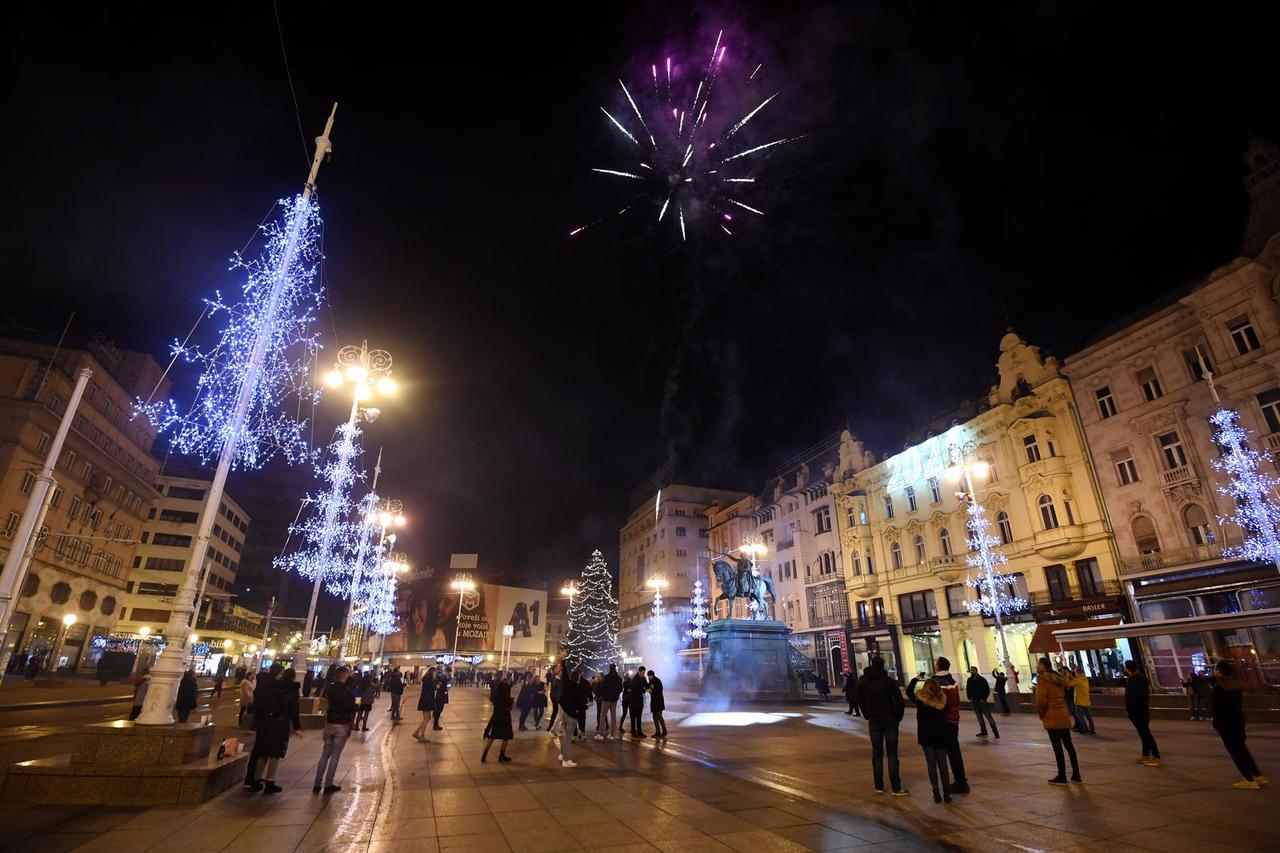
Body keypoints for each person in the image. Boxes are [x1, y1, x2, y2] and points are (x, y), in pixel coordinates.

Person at [1211, 660, 1268, 789]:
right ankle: (1258, 775)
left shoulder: (1219, 688)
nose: (1214, 671)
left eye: (1215, 669)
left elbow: (1218, 709)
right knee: (1242, 749)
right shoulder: (1235, 685)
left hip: (1226, 724)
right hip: (1238, 720)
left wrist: (1216, 725)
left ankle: (1248, 779)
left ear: (1220, 671)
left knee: (1235, 751)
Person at [857, 656, 908, 796]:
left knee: (877, 753)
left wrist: (866, 714)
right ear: (883, 665)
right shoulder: (889, 681)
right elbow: (900, 701)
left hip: (874, 720)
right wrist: (898, 717)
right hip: (890, 719)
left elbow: (859, 699)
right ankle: (896, 787)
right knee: (892, 754)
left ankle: (878, 785)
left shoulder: (863, 681)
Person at [249, 668, 302, 794]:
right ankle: (270, 781)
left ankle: (256, 781)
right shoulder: (292, 690)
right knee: (275, 753)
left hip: (268, 722)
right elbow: (294, 710)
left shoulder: (271, 688)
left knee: (264, 752)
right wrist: (297, 728)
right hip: (281, 723)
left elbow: (262, 704)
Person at [1035, 657, 1081, 786]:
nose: (1036, 667)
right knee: (1069, 745)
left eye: (1038, 665)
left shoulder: (1043, 679)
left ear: (1044, 666)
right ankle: (1076, 775)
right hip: (1063, 714)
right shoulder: (1058, 678)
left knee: (1057, 748)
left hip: (1051, 716)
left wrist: (1042, 714)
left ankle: (1062, 776)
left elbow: (1041, 700)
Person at [314, 666, 356, 794]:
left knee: (324, 755)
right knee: (335, 755)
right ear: (345, 676)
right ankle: (328, 783)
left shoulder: (330, 689)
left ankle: (317, 783)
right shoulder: (347, 691)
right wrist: (355, 705)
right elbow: (350, 706)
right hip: (341, 724)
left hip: (329, 723)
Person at [930, 658, 969, 793]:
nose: (934, 663)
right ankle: (961, 781)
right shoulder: (952, 681)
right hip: (954, 720)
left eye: (935, 662)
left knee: (942, 754)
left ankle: (950, 785)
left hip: (943, 721)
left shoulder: (936, 682)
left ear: (938, 666)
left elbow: (936, 704)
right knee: (954, 752)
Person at [244, 662, 282, 787]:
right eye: (280, 673)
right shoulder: (270, 686)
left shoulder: (262, 684)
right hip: (266, 721)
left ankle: (252, 778)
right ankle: (252, 779)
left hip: (261, 720)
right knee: (260, 751)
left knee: (258, 750)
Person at [914, 679, 952, 803]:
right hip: (941, 735)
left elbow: (910, 692)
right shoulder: (943, 701)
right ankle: (947, 792)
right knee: (943, 765)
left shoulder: (921, 702)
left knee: (931, 765)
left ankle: (936, 791)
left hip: (926, 736)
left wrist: (916, 679)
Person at [1124, 660, 1162, 766]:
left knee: (1145, 734)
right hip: (1144, 709)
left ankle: (1156, 756)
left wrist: (1128, 710)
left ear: (1127, 668)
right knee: (1144, 733)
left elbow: (1130, 698)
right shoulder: (1143, 679)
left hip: (1136, 711)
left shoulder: (1131, 681)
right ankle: (1145, 755)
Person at [482, 673, 514, 763]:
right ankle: (502, 755)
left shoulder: (497, 687)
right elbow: (507, 701)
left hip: (497, 713)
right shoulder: (505, 688)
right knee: (506, 736)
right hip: (504, 714)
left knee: (493, 735)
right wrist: (511, 701)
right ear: (506, 679)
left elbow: (495, 699)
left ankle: (484, 754)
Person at [558, 669, 587, 767]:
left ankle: (562, 754)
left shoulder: (568, 686)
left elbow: (565, 675)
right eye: (579, 677)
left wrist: (563, 660)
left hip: (566, 714)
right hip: (572, 716)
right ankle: (566, 759)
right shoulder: (578, 688)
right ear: (577, 678)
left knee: (566, 737)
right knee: (567, 738)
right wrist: (586, 706)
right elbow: (581, 704)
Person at [966, 667, 999, 739]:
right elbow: (967, 689)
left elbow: (987, 690)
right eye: (971, 671)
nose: (972, 672)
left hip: (982, 701)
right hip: (974, 701)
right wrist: (970, 698)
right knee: (979, 717)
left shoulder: (982, 679)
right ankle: (983, 731)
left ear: (976, 671)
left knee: (988, 717)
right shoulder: (969, 680)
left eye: (973, 670)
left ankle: (995, 733)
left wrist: (983, 698)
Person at [596, 663, 622, 740]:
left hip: (606, 699)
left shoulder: (606, 678)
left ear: (610, 668)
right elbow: (620, 688)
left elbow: (601, 688)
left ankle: (600, 734)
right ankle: (612, 734)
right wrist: (616, 695)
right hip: (614, 700)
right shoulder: (619, 678)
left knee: (602, 716)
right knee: (613, 717)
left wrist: (603, 694)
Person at [1067, 668, 1094, 734]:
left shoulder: (1078, 680)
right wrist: (1072, 677)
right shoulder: (1084, 679)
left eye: (1075, 672)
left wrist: (1068, 677)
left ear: (1078, 673)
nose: (1075, 674)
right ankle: (1092, 729)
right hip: (1086, 700)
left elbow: (1069, 684)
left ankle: (1085, 728)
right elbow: (1075, 682)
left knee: (1080, 716)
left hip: (1079, 701)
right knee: (1089, 716)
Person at [413, 666, 436, 742]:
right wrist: (437, 686)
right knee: (426, 719)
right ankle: (421, 735)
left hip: (425, 700)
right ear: (432, 672)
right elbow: (432, 688)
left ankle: (417, 732)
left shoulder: (426, 679)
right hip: (427, 701)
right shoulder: (429, 680)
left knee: (427, 718)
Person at [626, 666, 647, 737]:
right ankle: (634, 731)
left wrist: (646, 688)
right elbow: (637, 689)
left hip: (639, 701)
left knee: (638, 717)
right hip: (633, 701)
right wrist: (644, 690)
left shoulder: (643, 678)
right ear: (639, 672)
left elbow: (646, 685)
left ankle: (638, 731)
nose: (643, 674)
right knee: (633, 717)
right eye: (642, 672)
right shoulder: (635, 679)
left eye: (644, 673)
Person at [648, 669, 667, 738]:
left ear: (651, 675)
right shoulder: (651, 681)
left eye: (649, 676)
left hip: (658, 702)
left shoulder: (656, 681)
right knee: (655, 717)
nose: (648, 677)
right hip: (655, 702)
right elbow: (649, 687)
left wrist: (652, 691)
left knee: (659, 717)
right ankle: (658, 731)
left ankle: (664, 731)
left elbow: (658, 690)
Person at [547, 665, 563, 734]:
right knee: (557, 712)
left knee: (558, 712)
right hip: (555, 696)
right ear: (555, 669)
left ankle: (553, 728)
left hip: (556, 696)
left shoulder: (556, 675)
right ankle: (551, 728)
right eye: (558, 667)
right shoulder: (554, 676)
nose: (559, 669)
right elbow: (554, 685)